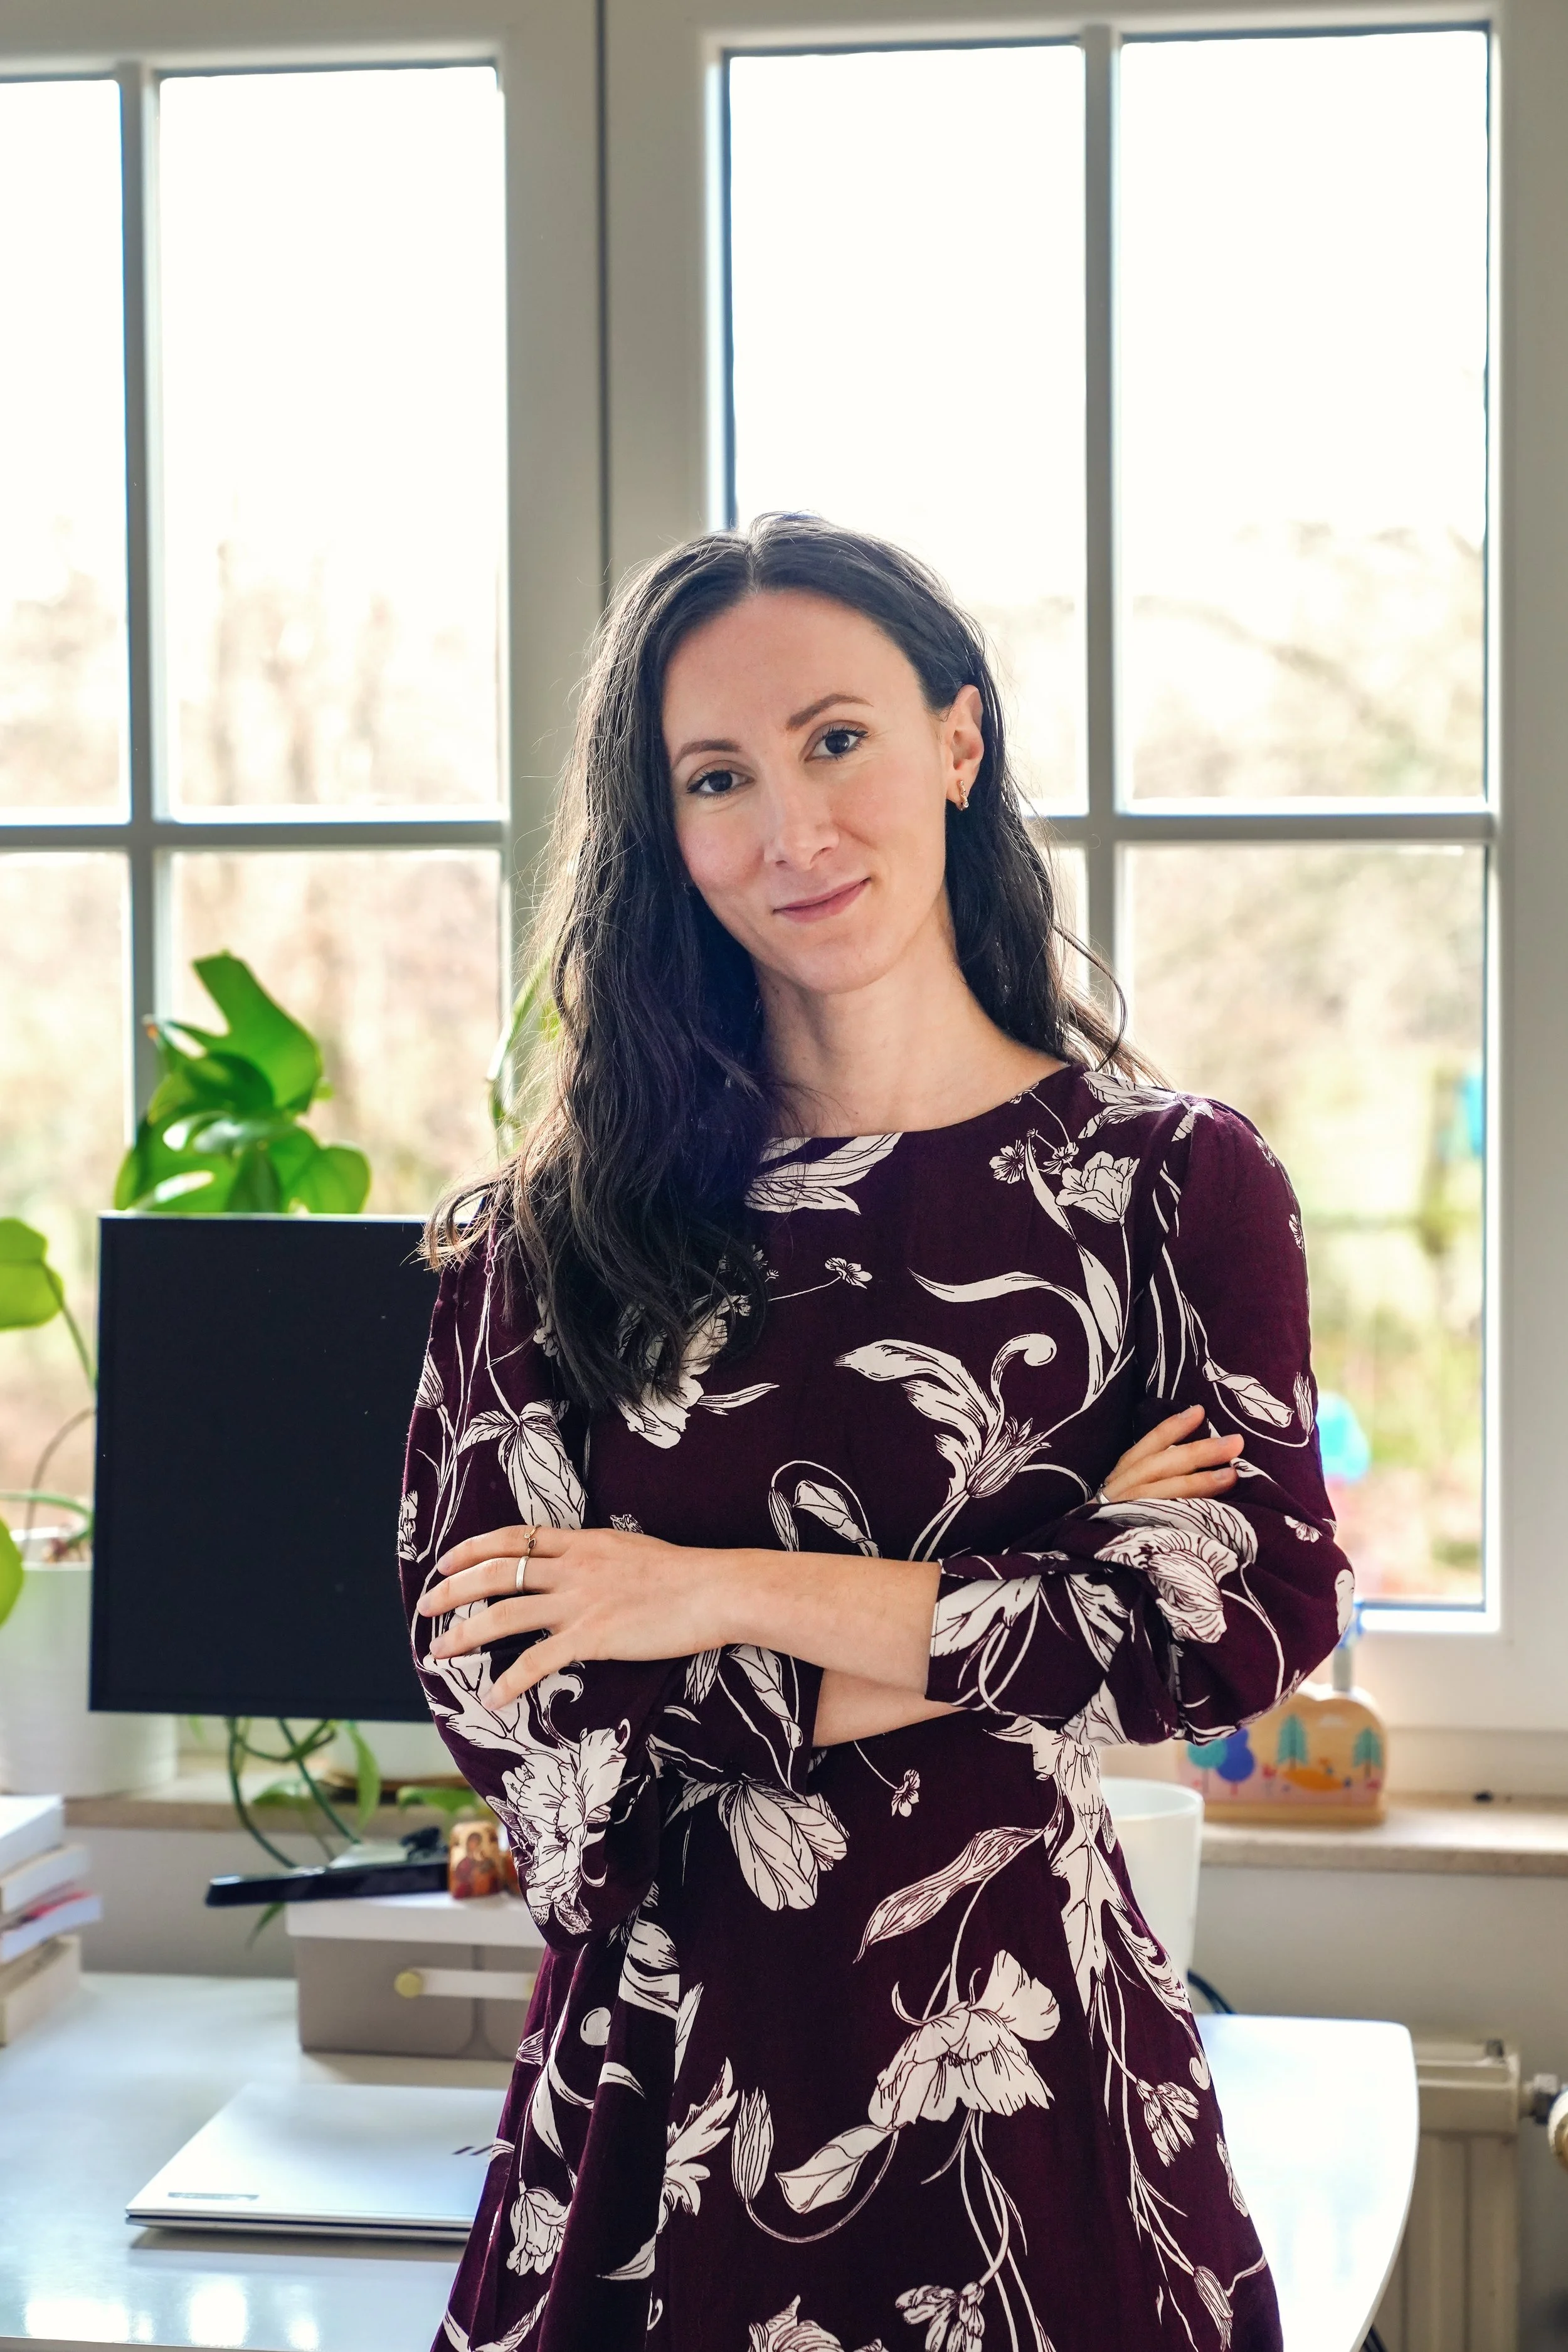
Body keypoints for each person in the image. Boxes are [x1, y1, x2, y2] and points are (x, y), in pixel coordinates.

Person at [400, 515, 1352, 2352]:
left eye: (837, 738)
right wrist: (1045, 1590)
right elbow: (537, 1743)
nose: (790, 829)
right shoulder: (535, 1246)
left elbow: (1234, 1629)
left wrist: (690, 1591)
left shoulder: (1166, 1188)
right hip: (648, 2131)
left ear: (956, 744)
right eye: (718, 777)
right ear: (661, 832)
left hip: (1041, 2120)